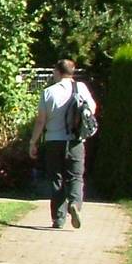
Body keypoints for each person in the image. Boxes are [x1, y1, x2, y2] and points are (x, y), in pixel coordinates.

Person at [28, 59, 96, 230]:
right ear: (71, 72)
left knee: (56, 179)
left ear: (57, 71)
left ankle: (58, 218)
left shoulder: (48, 92)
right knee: (76, 176)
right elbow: (91, 110)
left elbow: (40, 121)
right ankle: (75, 203)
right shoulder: (81, 88)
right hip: (75, 140)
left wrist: (33, 142)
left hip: (53, 141)